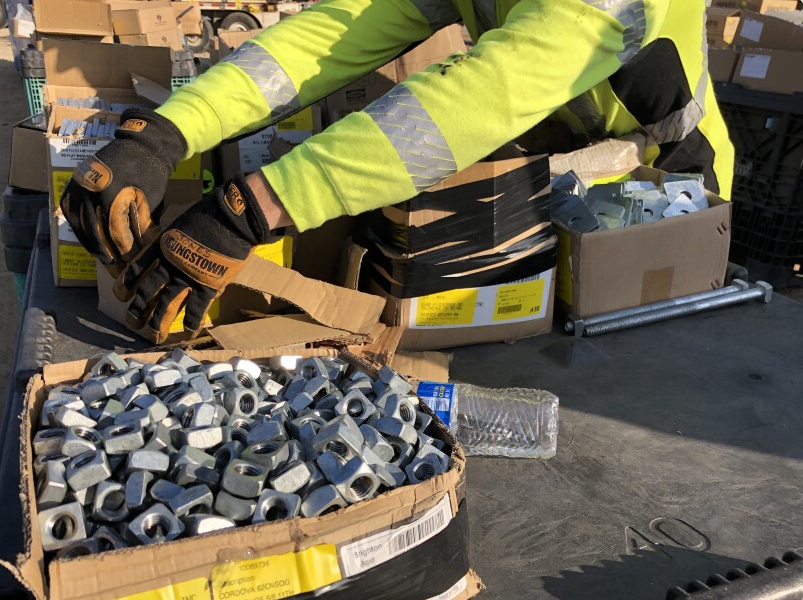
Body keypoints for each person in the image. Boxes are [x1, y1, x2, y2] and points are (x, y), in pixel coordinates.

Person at [61, 0, 733, 343]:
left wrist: (254, 206)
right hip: (557, 187)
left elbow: (477, 99)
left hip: (661, 204)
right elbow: (330, 36)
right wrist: (163, 135)